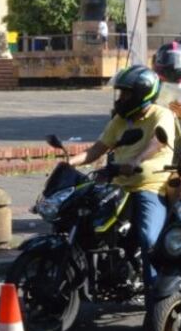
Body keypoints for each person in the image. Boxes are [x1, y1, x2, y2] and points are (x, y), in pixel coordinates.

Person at [61, 66, 175, 294]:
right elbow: (97, 149)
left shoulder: (161, 114)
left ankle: (157, 294)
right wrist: (69, 162)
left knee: (148, 238)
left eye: (126, 94)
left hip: (149, 186)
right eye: (120, 93)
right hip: (118, 185)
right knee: (88, 224)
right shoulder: (120, 121)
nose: (121, 99)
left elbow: (158, 141)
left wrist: (136, 160)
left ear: (142, 94)